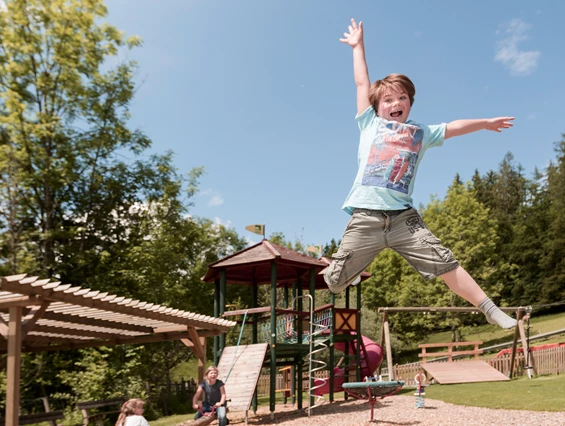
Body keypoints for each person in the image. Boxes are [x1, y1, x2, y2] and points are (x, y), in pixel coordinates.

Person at [324, 18, 517, 330]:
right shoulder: (369, 124)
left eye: (402, 98)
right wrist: (358, 46)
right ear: (378, 107)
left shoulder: (421, 132)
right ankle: (353, 267)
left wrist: (485, 122)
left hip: (403, 219)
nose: (396, 103)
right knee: (334, 282)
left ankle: (490, 309)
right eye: (388, 99)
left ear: (410, 103)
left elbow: (453, 127)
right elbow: (362, 84)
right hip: (366, 217)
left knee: (444, 261)